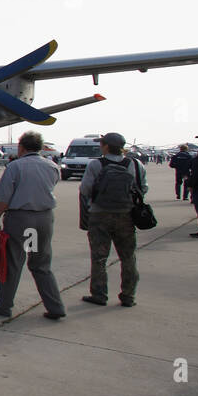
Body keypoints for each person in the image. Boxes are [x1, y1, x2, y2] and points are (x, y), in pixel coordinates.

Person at [0, 131, 66, 320]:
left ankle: (4, 304)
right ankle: (55, 306)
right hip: (44, 218)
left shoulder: (16, 167)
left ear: (21, 147)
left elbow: (4, 198)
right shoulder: (52, 166)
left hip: (21, 219)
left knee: (12, 262)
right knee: (41, 264)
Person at [78, 132, 146, 308]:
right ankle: (128, 295)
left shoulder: (96, 164)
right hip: (125, 215)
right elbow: (142, 188)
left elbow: (85, 189)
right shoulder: (134, 164)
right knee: (128, 257)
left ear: (106, 146)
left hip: (100, 215)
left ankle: (99, 294)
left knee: (99, 258)